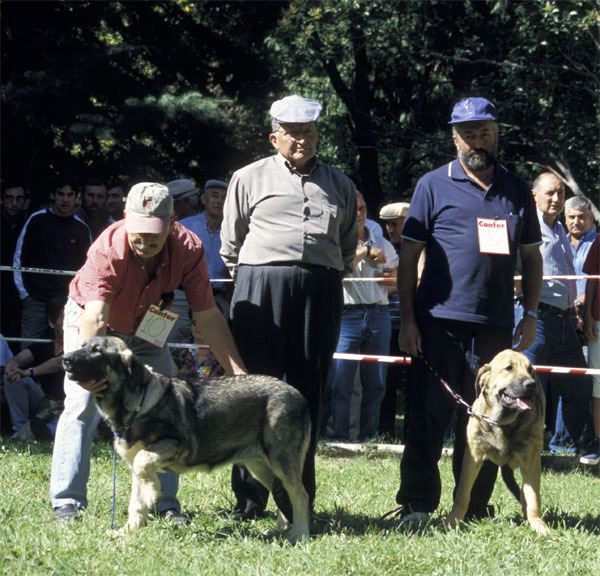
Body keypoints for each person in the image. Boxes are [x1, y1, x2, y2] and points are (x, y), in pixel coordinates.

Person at [50, 182, 247, 522]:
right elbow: (95, 317)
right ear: (126, 219)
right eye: (138, 232)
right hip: (93, 321)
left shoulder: (189, 248)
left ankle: (164, 503)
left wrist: (238, 374)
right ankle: (67, 501)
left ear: (173, 223)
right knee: (82, 403)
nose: (146, 241)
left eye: (155, 232)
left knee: (167, 403)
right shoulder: (106, 249)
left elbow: (208, 316)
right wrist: (95, 376)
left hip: (146, 327)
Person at [395, 97, 543, 526]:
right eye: (467, 134)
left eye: (483, 133)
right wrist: (408, 319)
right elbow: (408, 258)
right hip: (437, 321)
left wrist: (530, 313)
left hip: (495, 326)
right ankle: (418, 506)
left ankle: (475, 508)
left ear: (496, 135)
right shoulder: (431, 185)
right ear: (454, 138)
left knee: (487, 418)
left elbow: (531, 258)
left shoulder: (516, 189)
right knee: (427, 414)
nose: (475, 141)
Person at [220, 94, 357, 520]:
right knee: (253, 390)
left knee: (307, 391)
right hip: (260, 288)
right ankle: (249, 499)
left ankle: (298, 499)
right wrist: (255, 279)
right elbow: (230, 245)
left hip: (320, 288)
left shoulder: (340, 184)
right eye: (293, 133)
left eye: (309, 133)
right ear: (274, 136)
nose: (302, 140)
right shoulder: (248, 177)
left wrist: (321, 275)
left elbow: (348, 245)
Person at [520, 172, 593, 454]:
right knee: (526, 387)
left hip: (565, 321)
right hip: (535, 318)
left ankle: (561, 447)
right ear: (534, 195)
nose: (556, 198)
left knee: (577, 385)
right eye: (550, 193)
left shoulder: (561, 229)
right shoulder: (526, 226)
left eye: (560, 193)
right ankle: (522, 448)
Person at [327, 190, 398, 442]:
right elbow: (337, 268)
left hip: (379, 312)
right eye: (353, 208)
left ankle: (369, 438)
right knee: (341, 382)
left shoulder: (378, 237)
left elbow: (397, 276)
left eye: (362, 209)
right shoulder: (336, 237)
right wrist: (366, 253)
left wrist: (390, 280)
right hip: (348, 314)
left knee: (376, 382)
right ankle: (339, 437)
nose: (358, 214)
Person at [13, 179, 92, 348]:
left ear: (76, 197)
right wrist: (25, 294)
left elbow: (88, 268)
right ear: (52, 195)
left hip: (67, 302)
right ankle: (25, 375)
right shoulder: (36, 220)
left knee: (67, 350)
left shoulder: (82, 229)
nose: (65, 200)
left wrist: (77, 300)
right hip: (34, 299)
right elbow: (18, 258)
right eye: (61, 194)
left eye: (69, 195)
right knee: (27, 350)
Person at [3, 297, 66, 440]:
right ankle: (20, 430)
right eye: (64, 317)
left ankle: (30, 432)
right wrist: (12, 365)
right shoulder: (45, 340)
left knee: (57, 430)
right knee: (12, 379)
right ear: (51, 322)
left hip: (65, 407)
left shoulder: (76, 341)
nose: (69, 321)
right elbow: (22, 357)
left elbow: (60, 362)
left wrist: (28, 372)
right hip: (44, 402)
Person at [377, 201, 412, 439]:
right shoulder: (385, 248)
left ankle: (411, 433)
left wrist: (398, 279)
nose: (390, 229)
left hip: (412, 325)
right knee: (385, 382)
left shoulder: (420, 249)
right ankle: (384, 432)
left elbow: (418, 281)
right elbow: (383, 286)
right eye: (387, 224)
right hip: (388, 323)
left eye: (395, 223)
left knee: (412, 384)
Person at [181, 179, 231, 315]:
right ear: (204, 199)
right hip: (183, 297)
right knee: (168, 334)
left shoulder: (234, 231)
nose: (219, 201)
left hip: (218, 299)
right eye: (215, 196)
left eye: (224, 197)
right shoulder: (183, 227)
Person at [1, 183, 27, 353]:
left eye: (19, 199)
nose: (14, 203)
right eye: (9, 198)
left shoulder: (29, 223)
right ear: (2, 200)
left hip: (18, 291)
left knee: (14, 335)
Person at [581, 234, 600, 465]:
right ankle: (598, 440)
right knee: (598, 384)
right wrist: (588, 316)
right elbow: (592, 279)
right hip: (599, 320)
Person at [564, 196, 598, 321]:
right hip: (564, 316)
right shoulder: (558, 244)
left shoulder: (598, 243)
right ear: (565, 220)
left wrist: (579, 302)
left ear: (591, 218)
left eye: (581, 216)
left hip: (594, 314)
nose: (576, 222)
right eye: (571, 217)